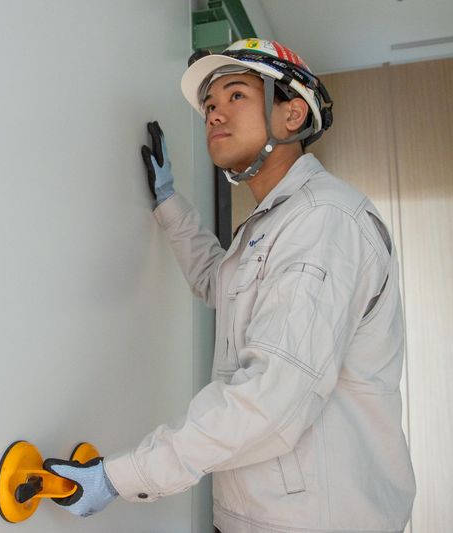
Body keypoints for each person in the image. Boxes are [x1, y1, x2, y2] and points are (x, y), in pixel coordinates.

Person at [43, 38, 416, 532]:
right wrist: (168, 203)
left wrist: (120, 477)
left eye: (236, 95)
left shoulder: (323, 221)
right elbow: (217, 281)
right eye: (209, 106)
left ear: (292, 114)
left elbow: (270, 398)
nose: (215, 114)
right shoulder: (275, 223)